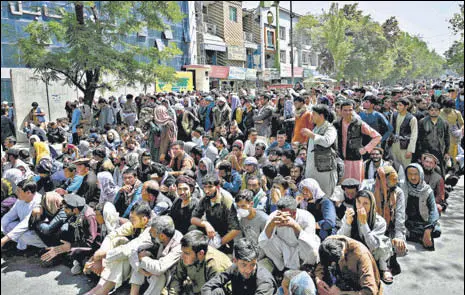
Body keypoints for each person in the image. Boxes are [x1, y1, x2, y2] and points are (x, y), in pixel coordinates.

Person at [84, 201, 152, 295]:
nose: (131, 221)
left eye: (133, 219)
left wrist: (103, 255)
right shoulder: (135, 224)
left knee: (125, 253)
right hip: (133, 259)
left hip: (148, 266)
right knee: (118, 240)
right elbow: (112, 235)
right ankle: (99, 288)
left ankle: (103, 290)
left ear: (144, 219)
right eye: (130, 218)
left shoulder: (150, 230)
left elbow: (128, 249)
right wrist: (99, 255)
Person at [337, 190, 394, 284]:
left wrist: (364, 224)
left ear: (372, 205)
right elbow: (340, 238)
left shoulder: (380, 222)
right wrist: (347, 223)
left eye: (365, 203)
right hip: (354, 250)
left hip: (372, 252)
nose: (361, 206)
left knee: (384, 243)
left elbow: (373, 245)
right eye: (358, 201)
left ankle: (383, 268)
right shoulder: (350, 215)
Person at [258, 196, 320, 274]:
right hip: (284, 246)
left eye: (285, 214)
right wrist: (272, 224)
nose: (282, 216)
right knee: (265, 242)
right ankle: (281, 268)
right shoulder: (275, 216)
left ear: (294, 213)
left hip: (300, 247)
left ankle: (306, 268)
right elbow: (264, 239)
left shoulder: (307, 217)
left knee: (313, 250)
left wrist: (295, 226)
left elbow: (309, 242)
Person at [201, 238, 277, 295]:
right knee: (217, 292)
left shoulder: (265, 282)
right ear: (235, 261)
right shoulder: (235, 268)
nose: (248, 270)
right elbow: (207, 287)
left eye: (252, 264)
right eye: (244, 265)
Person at [129, 215, 183, 295]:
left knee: (159, 277)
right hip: (152, 269)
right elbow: (133, 250)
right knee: (139, 265)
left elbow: (160, 268)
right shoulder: (155, 235)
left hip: (169, 278)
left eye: (152, 231)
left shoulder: (178, 245)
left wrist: (143, 258)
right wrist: (141, 266)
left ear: (162, 236)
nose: (150, 231)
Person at [168, 230, 232, 295]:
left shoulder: (215, 266)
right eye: (182, 252)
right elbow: (177, 278)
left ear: (201, 253)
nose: (182, 256)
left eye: (186, 253)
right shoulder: (187, 255)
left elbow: (216, 291)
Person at [315, 236, 383, 295]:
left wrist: (341, 293)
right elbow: (321, 264)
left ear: (342, 255)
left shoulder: (361, 256)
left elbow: (370, 292)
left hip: (357, 288)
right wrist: (318, 280)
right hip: (342, 283)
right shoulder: (328, 244)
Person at [191, 174, 241, 253]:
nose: (206, 190)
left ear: (217, 187)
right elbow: (193, 219)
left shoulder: (227, 200)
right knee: (192, 229)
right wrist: (206, 224)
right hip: (212, 232)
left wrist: (219, 243)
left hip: (226, 237)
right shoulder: (206, 198)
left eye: (210, 187)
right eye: (205, 187)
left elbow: (235, 230)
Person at [334, 100, 381, 182]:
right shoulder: (336, 124)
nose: (348, 112)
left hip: (355, 160)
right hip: (340, 159)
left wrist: (365, 149)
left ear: (353, 111)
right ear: (341, 111)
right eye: (345, 110)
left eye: (350, 110)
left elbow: (377, 136)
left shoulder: (359, 123)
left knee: (356, 184)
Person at [403, 163, 441, 250]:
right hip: (408, 222)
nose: (413, 177)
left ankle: (419, 236)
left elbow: (433, 210)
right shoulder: (403, 188)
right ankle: (419, 237)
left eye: (415, 174)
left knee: (436, 231)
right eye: (410, 174)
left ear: (420, 174)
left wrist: (428, 230)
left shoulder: (427, 190)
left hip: (423, 222)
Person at [1, 180, 46, 251]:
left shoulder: (38, 202)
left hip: (38, 233)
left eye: (19, 191)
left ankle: (37, 248)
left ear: (28, 193)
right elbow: (9, 216)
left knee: (25, 236)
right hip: (25, 228)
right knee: (7, 225)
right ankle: (22, 245)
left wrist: (4, 239)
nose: (16, 193)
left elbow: (25, 224)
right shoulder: (20, 199)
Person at [416, 102, 450, 175]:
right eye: (431, 110)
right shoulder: (422, 122)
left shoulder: (444, 123)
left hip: (440, 150)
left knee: (440, 169)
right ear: (428, 111)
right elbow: (419, 138)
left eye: (436, 110)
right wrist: (421, 153)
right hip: (426, 150)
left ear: (439, 111)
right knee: (426, 169)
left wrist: (447, 152)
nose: (434, 112)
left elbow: (447, 138)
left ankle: (441, 185)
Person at [388, 98, 418, 170]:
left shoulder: (412, 118)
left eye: (400, 105)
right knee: (394, 166)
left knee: (405, 167)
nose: (398, 107)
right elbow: (390, 129)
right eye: (397, 105)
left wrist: (410, 150)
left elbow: (414, 135)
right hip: (393, 145)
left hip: (405, 147)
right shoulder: (393, 115)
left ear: (406, 106)